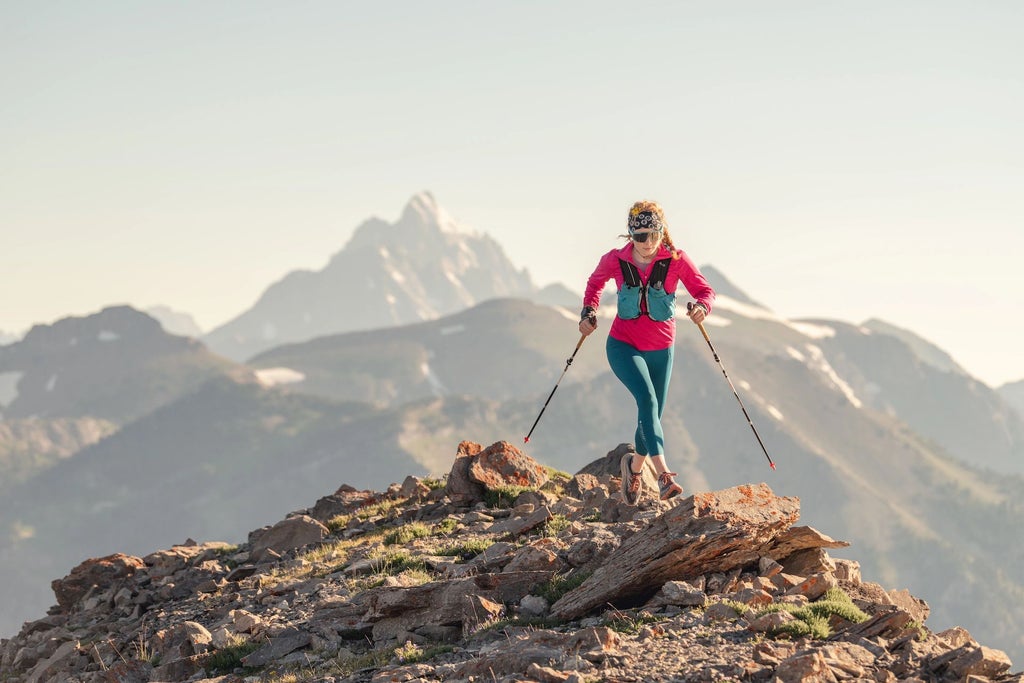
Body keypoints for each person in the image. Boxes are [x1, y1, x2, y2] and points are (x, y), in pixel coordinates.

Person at [579, 200, 716, 504]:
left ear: (661, 232)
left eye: (652, 235)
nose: (646, 243)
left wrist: (702, 309)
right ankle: (664, 475)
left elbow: (705, 292)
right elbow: (594, 284)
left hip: (662, 350)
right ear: (630, 235)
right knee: (648, 400)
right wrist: (588, 312)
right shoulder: (615, 260)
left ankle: (633, 467)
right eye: (639, 237)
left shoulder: (677, 261)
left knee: (651, 413)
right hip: (623, 345)